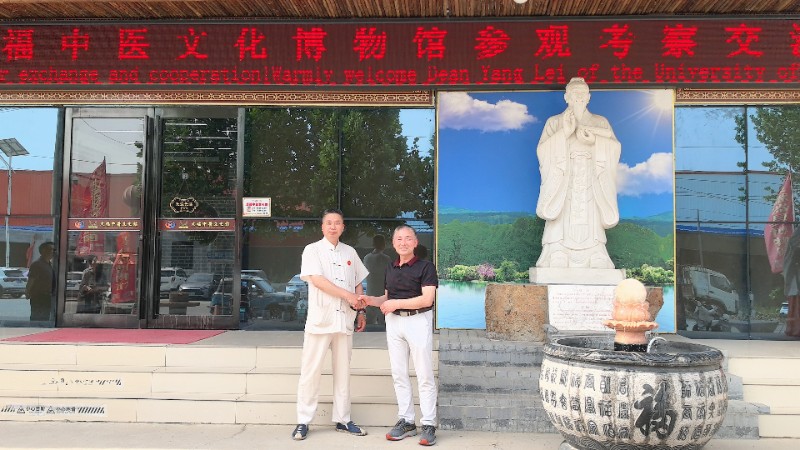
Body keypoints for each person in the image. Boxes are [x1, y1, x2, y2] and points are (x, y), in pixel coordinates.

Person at [292, 208, 369, 441]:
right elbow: (318, 281)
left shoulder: (350, 251)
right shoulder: (312, 250)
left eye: (337, 223)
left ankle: (343, 419)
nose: (333, 226)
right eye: (329, 223)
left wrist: (361, 309)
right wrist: (348, 296)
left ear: (343, 227)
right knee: (310, 371)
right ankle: (303, 420)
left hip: (344, 319)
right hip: (321, 319)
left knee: (343, 372)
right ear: (322, 227)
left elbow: (358, 282)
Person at [361, 225, 439, 446]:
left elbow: (427, 299)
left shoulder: (426, 267)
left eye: (408, 238)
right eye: (399, 239)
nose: (403, 242)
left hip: (418, 320)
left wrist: (395, 303)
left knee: (424, 374)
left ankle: (429, 424)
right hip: (394, 322)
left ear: (415, 242)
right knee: (399, 374)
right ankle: (407, 421)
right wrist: (369, 300)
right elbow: (387, 298)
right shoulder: (391, 267)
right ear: (393, 243)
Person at [535, 77, 621, 269]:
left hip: (590, 177)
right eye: (574, 93)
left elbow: (614, 148)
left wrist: (596, 142)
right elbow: (542, 151)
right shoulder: (554, 122)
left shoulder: (600, 122)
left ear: (589, 97)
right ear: (566, 97)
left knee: (591, 213)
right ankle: (557, 251)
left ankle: (596, 253)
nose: (579, 96)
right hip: (564, 178)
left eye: (583, 93)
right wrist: (564, 133)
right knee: (561, 213)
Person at [362, 234, 391, 325]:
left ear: (373, 244)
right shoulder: (387, 259)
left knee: (369, 323)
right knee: (384, 324)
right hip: (383, 295)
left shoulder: (367, 258)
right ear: (384, 244)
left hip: (370, 293)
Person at [26, 241, 55, 321]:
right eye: (50, 249)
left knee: (45, 318)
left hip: (48, 297)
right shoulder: (37, 264)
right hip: (39, 297)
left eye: (54, 250)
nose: (53, 252)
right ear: (43, 251)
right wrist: (27, 292)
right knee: (37, 318)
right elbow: (31, 280)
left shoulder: (50, 265)